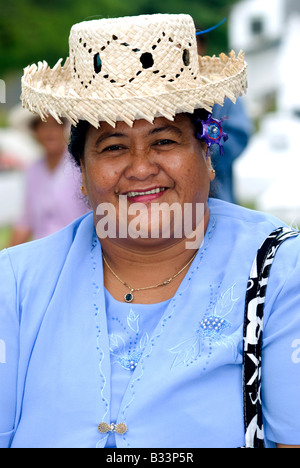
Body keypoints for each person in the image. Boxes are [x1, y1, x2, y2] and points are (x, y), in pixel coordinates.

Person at [0, 13, 299, 449]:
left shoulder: (279, 273)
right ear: (82, 172)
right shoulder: (15, 284)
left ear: (207, 154)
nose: (141, 168)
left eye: (165, 141)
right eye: (114, 147)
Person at [9, 114, 89, 245]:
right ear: (35, 133)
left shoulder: (78, 165)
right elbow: (26, 220)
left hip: (76, 248)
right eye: (43, 126)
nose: (49, 132)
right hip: (42, 250)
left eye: (55, 125)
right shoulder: (33, 170)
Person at [196, 27, 253, 203]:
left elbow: (238, 134)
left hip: (218, 188)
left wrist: (202, 153)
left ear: (202, 47)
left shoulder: (223, 91)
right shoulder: (159, 92)